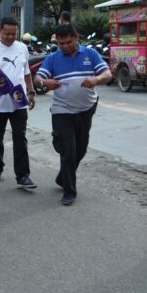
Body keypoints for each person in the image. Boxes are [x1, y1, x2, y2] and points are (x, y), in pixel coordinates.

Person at [34, 24, 111, 205]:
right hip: (62, 110)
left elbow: (107, 73)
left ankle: (63, 176)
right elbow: (38, 78)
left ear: (76, 38)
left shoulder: (90, 54)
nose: (65, 46)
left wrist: (97, 79)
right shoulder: (53, 58)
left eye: (69, 42)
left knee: (81, 148)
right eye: (61, 43)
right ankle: (69, 191)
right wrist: (46, 82)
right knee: (68, 150)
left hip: (87, 108)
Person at [0, 16, 37, 189]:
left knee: (20, 138)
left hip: (18, 100)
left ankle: (23, 176)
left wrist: (31, 91)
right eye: (6, 33)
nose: (10, 37)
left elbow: (26, 72)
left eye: (13, 34)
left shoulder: (22, 47)